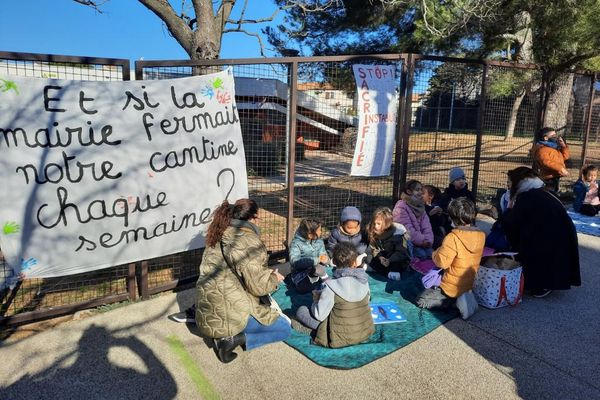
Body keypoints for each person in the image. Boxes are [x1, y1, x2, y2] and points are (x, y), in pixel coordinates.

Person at [195, 199, 290, 363]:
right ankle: (234, 339)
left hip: (207, 308)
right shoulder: (248, 241)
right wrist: (274, 277)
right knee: (284, 328)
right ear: (254, 217)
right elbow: (258, 288)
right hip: (231, 312)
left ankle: (224, 335)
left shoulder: (219, 232)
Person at [502, 167, 581, 297]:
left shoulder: (527, 196)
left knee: (532, 247)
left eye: (510, 182)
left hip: (550, 236)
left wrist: (506, 213)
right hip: (559, 234)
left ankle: (543, 283)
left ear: (518, 181)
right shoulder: (540, 191)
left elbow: (512, 221)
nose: (508, 185)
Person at [294, 242, 375, 347]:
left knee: (302, 310)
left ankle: (313, 332)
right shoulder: (364, 280)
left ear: (334, 263)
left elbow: (319, 315)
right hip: (365, 330)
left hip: (339, 336)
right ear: (355, 262)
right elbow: (367, 301)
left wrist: (316, 300)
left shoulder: (331, 286)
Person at [416, 197, 485, 320]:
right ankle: (463, 297)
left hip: (450, 287)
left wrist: (435, 253)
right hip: (468, 283)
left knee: (421, 300)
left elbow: (442, 262)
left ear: (454, 218)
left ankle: (453, 303)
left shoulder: (452, 237)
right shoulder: (481, 235)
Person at [366, 207, 410, 281]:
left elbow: (402, 253)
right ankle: (387, 273)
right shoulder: (373, 231)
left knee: (398, 264)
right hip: (383, 259)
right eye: (374, 223)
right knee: (369, 258)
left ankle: (390, 272)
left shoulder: (398, 234)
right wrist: (380, 258)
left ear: (386, 224)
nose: (375, 226)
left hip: (395, 259)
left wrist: (389, 260)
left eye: (378, 224)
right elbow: (374, 249)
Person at [393, 180, 434, 260]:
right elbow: (407, 230)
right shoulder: (401, 207)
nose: (420, 192)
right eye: (417, 190)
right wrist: (423, 241)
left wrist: (429, 240)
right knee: (422, 255)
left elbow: (427, 227)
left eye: (421, 190)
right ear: (409, 191)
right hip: (407, 242)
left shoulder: (421, 207)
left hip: (421, 241)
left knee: (432, 254)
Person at [289, 218, 330, 294]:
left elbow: (324, 254)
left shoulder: (319, 241)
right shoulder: (296, 244)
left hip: (317, 270)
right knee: (304, 288)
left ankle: (325, 283)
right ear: (310, 234)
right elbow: (294, 262)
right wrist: (316, 260)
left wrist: (326, 259)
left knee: (319, 268)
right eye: (319, 230)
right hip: (301, 274)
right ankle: (323, 283)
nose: (321, 232)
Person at [531, 127, 570, 193]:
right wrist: (560, 168)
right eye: (553, 136)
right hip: (549, 177)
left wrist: (563, 146)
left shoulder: (553, 148)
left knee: (555, 192)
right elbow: (546, 162)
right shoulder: (542, 149)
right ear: (546, 138)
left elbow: (565, 157)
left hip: (555, 175)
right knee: (550, 193)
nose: (556, 137)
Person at [423, 184, 451, 249]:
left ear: (431, 196)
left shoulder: (434, 207)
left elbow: (441, 222)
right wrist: (429, 214)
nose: (420, 195)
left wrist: (440, 215)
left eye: (423, 193)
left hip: (434, 233)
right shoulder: (421, 207)